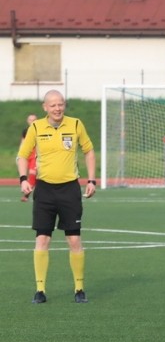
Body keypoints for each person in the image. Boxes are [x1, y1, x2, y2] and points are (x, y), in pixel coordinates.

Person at [16, 91, 96, 304]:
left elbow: (89, 151)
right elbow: (22, 155)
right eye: (53, 105)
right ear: (45, 107)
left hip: (70, 189)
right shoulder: (36, 127)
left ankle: (79, 289)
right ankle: (40, 290)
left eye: (60, 104)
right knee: (42, 239)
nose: (57, 108)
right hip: (44, 190)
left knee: (74, 239)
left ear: (64, 105)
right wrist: (23, 179)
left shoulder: (76, 124)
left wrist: (91, 180)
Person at [20, 114, 38, 202]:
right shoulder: (25, 131)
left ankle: (26, 195)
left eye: (34, 120)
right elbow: (23, 144)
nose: (32, 121)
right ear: (28, 121)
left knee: (32, 173)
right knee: (36, 177)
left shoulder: (39, 130)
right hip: (28, 155)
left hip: (36, 155)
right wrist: (20, 156)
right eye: (30, 120)